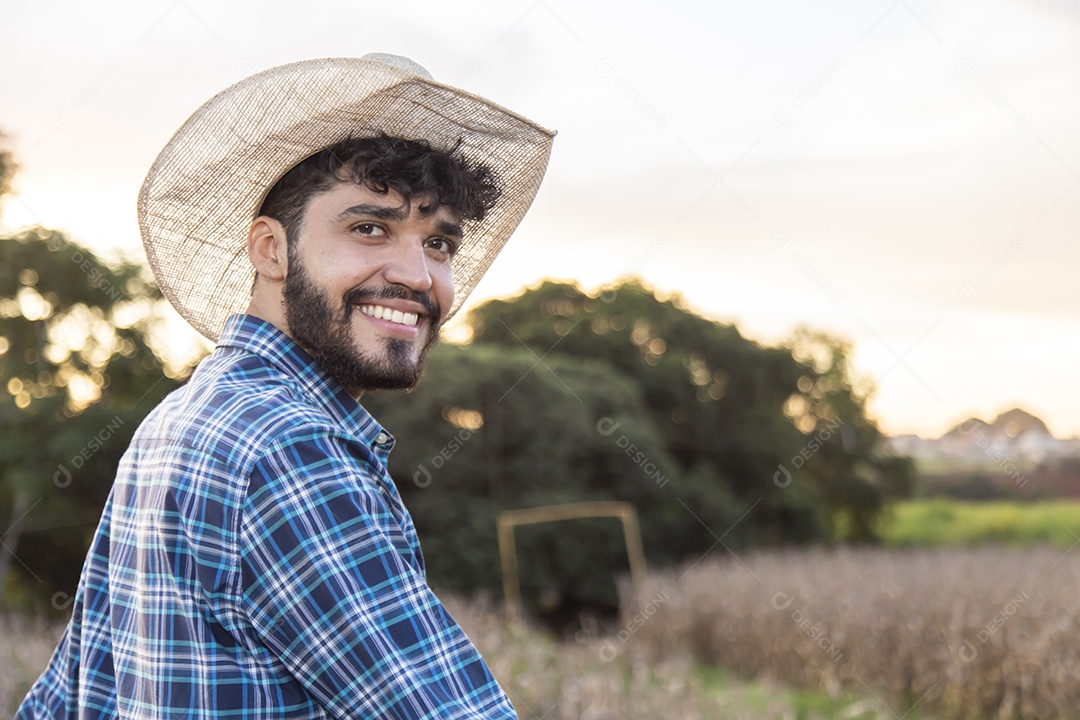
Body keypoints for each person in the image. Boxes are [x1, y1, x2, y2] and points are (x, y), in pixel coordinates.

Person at [18, 54, 554, 719]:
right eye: (369, 228)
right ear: (271, 251)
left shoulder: (178, 419)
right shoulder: (291, 448)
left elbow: (66, 701)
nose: (419, 275)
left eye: (439, 244)